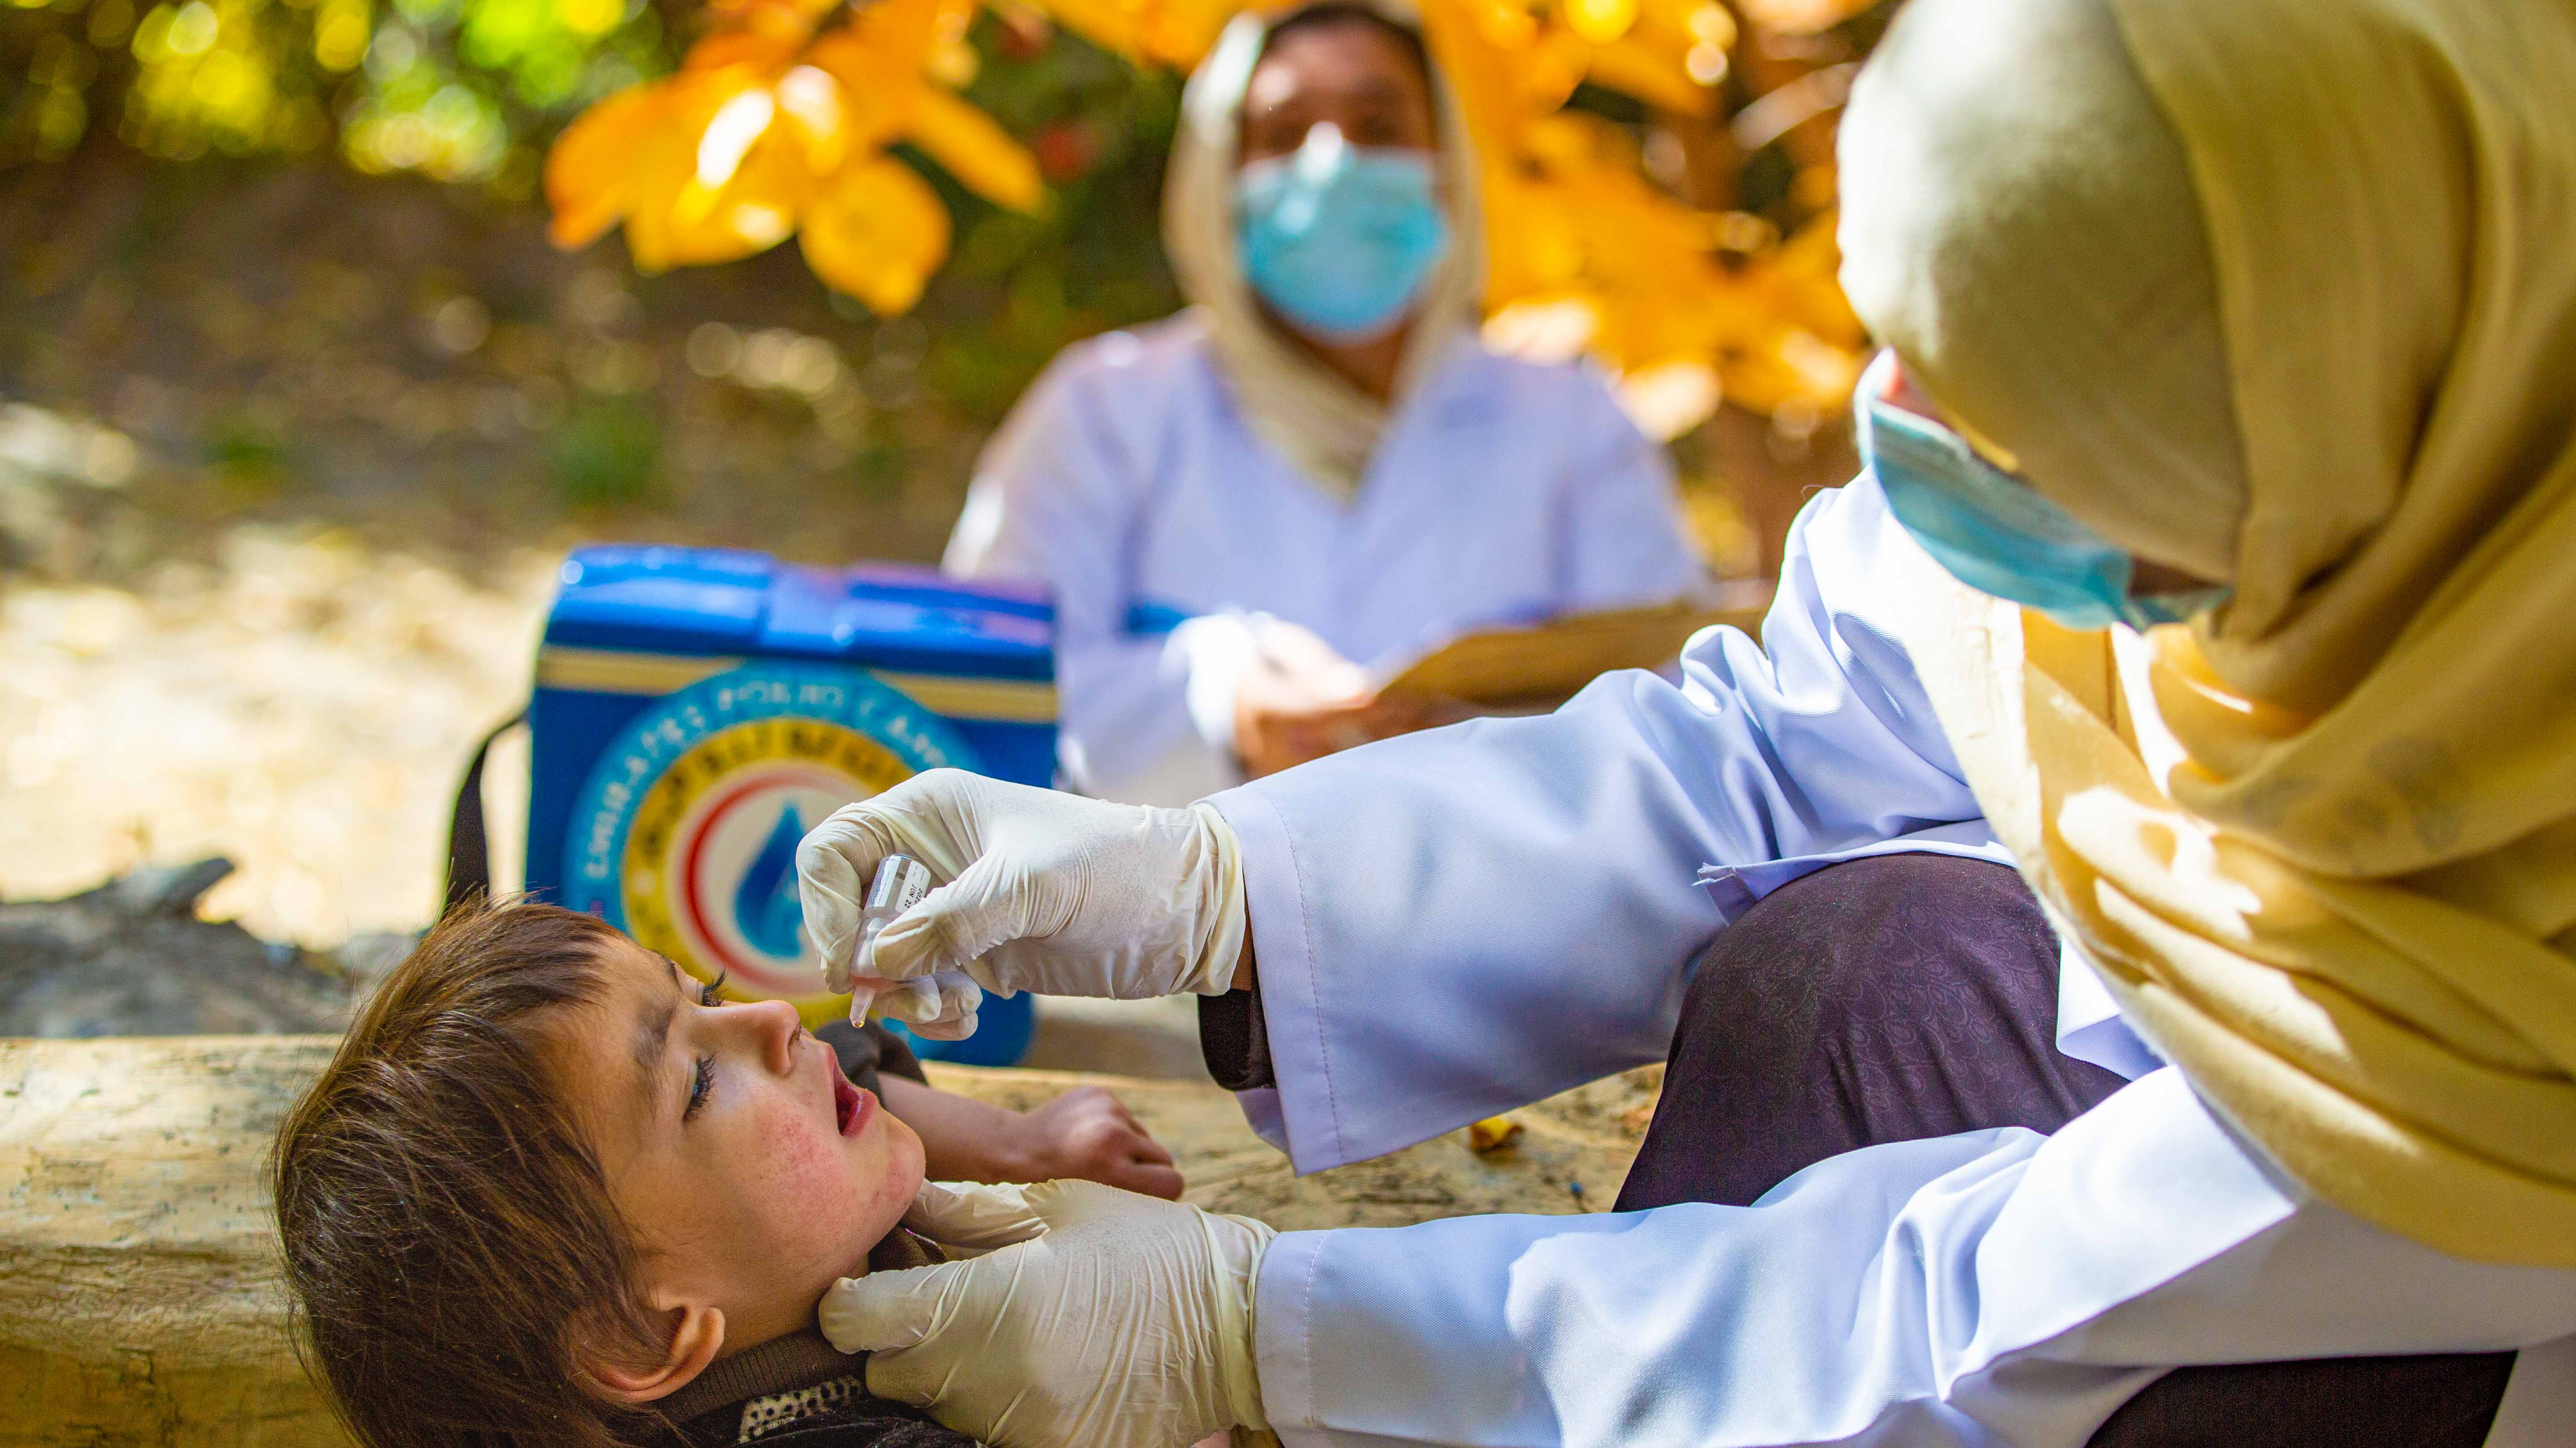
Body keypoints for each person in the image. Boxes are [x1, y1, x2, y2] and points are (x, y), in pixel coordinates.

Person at [793, 0, 2576, 1444]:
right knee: (1858, 959)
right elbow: (1764, 748)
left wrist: (1267, 1333)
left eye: (2003, 395)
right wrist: (1210, 875)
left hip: (2416, 1322)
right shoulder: (2260, 421)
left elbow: (1983, 1300)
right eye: (1898, 327)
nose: (1899, 420)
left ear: (2343, 406)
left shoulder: (2518, 933)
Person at [943, 0, 1706, 804]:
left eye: (1378, 126)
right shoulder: (1102, 413)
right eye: (1281, 133)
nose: (1332, 161)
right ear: (1218, 179)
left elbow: (1669, 719)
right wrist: (1217, 706)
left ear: (1447, 160)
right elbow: (976, 698)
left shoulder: (1576, 428)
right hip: (1167, 923)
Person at [268, 900, 1176, 1448]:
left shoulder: (762, 1270)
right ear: (640, 1333)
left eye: (701, 996)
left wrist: (1014, 1145)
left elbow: (848, 1067)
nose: (777, 1018)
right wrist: (1167, 1373)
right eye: (699, 1081)